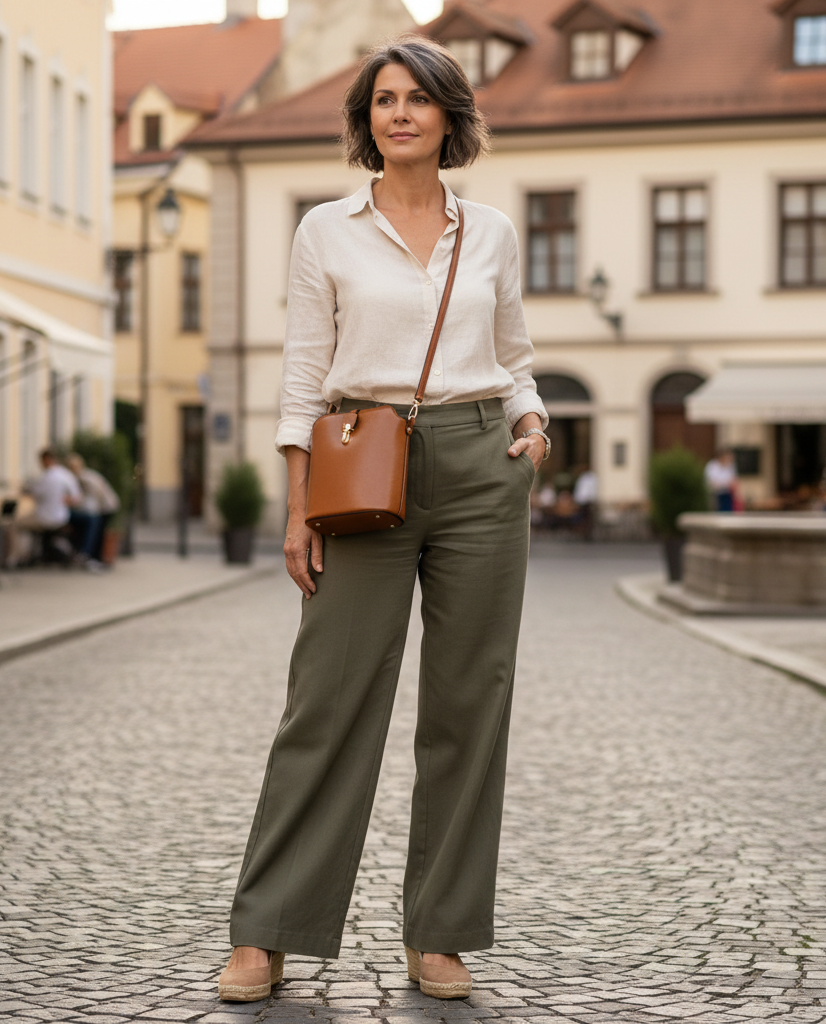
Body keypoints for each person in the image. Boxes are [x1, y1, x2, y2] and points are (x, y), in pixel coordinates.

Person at [217, 36, 549, 1005]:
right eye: (382, 101)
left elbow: (514, 351)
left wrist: (530, 420)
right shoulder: (326, 230)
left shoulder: (488, 232)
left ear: (449, 116)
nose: (397, 113)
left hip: (484, 465)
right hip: (361, 465)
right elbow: (301, 377)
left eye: (416, 99)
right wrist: (294, 508)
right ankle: (267, 928)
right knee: (326, 701)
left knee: (467, 705)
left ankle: (439, 931)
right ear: (367, 121)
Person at [5, 448, 81, 567]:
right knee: (26, 523)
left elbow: (34, 492)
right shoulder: (66, 475)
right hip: (61, 518)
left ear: (46, 460)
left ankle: (14, 558)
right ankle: (26, 555)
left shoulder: (45, 477)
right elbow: (76, 498)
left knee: (14, 525)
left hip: (44, 517)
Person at [66, 453, 120, 570]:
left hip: (105, 507)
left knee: (98, 532)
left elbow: (93, 496)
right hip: (106, 506)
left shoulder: (83, 478)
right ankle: (95, 559)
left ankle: (95, 558)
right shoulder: (87, 475)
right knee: (97, 531)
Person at [705, 448, 738, 512]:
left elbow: (733, 481)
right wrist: (725, 484)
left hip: (727, 495)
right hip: (715, 495)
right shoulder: (712, 466)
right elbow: (712, 483)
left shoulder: (730, 466)